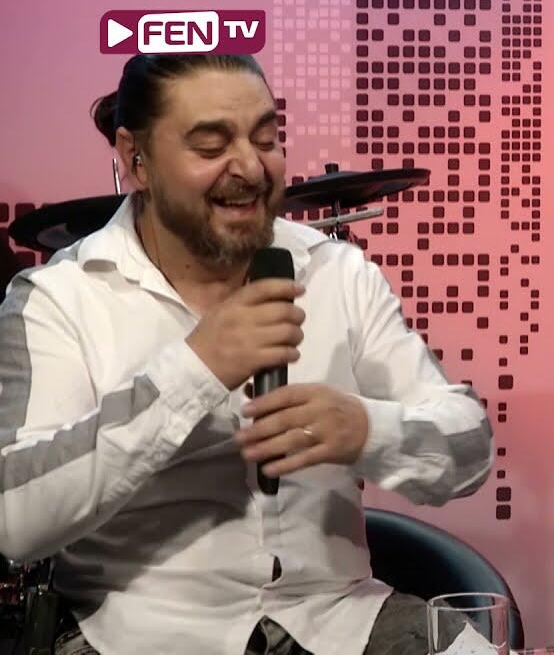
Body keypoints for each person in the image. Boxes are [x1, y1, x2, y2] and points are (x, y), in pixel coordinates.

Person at [0, 54, 493, 655]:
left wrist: (368, 429)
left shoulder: (337, 272)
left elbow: (468, 447)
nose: (252, 168)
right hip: (142, 631)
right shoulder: (61, 296)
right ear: (136, 158)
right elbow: (16, 518)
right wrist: (195, 371)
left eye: (266, 139)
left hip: (340, 616)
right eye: (211, 146)